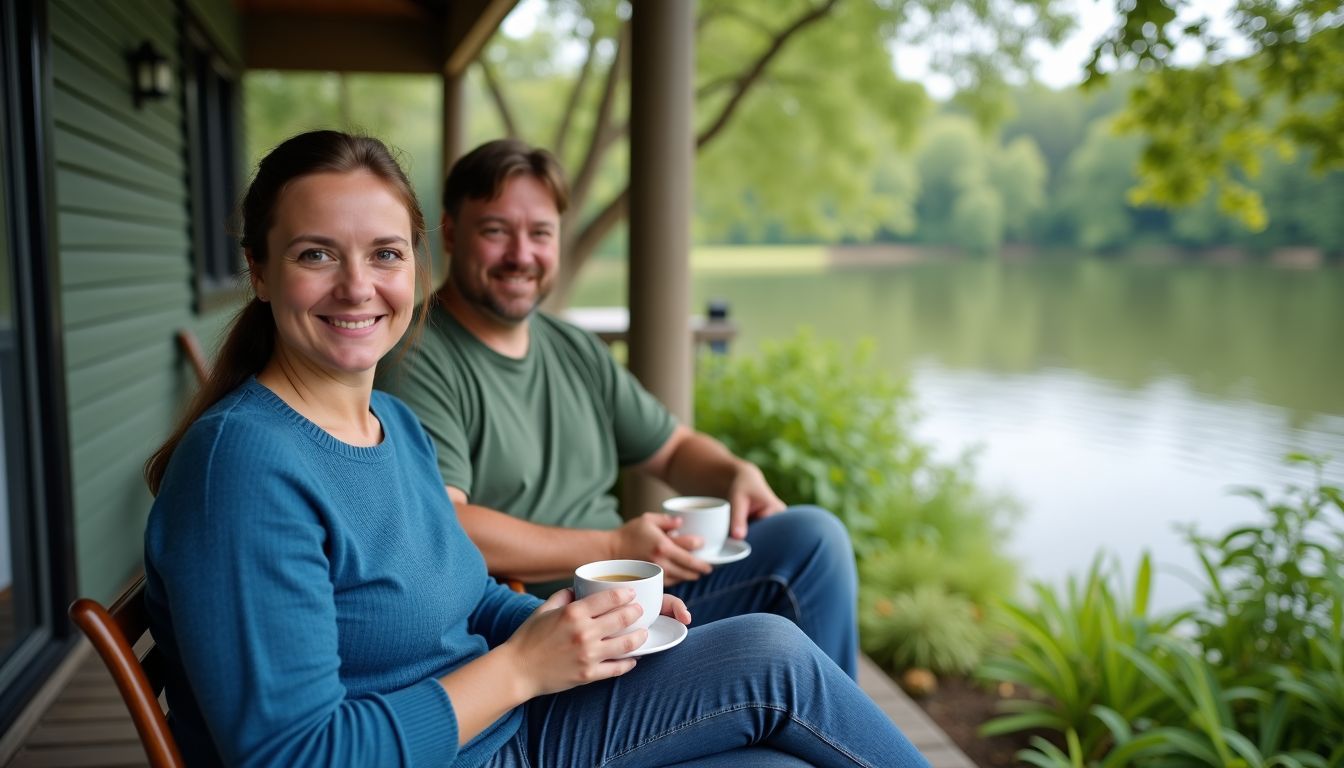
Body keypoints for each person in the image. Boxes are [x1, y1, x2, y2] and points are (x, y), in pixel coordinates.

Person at [141, 130, 929, 767]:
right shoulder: (242, 469)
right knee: (773, 668)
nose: (358, 286)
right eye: (317, 254)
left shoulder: (391, 424)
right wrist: (521, 668)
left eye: (384, 253)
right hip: (483, 737)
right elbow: (294, 754)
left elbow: (465, 598)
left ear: (416, 263)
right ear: (259, 272)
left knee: (776, 702)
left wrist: (578, 624)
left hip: (509, 724)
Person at [376, 138, 861, 679]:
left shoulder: (572, 347)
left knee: (813, 540)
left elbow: (673, 448)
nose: (521, 254)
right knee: (776, 660)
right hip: (550, 625)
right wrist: (612, 544)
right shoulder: (418, 356)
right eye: (496, 230)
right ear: (449, 231)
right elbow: (445, 526)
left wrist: (733, 472)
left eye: (540, 233)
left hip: (644, 599)